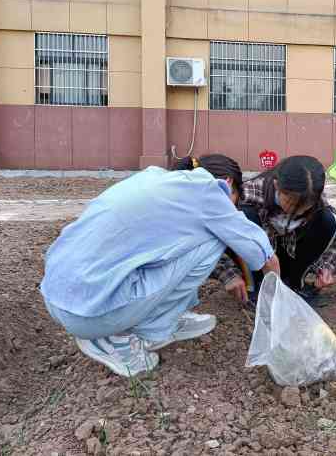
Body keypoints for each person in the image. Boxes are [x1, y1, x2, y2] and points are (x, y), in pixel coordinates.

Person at [41, 155, 279, 377]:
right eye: (235, 201)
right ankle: (118, 339)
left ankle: (164, 322)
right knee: (213, 241)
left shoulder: (154, 178)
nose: (233, 208)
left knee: (183, 241)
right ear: (228, 183)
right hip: (91, 313)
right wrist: (279, 305)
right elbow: (262, 252)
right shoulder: (209, 191)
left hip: (61, 295)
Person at [213, 155, 336, 307]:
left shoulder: (315, 200)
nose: (297, 212)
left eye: (304, 208)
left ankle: (294, 283)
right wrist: (229, 275)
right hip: (257, 264)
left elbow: (333, 239)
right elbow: (214, 239)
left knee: (327, 220)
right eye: (290, 203)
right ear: (276, 185)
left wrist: (327, 267)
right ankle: (256, 287)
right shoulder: (248, 195)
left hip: (287, 260)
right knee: (246, 216)